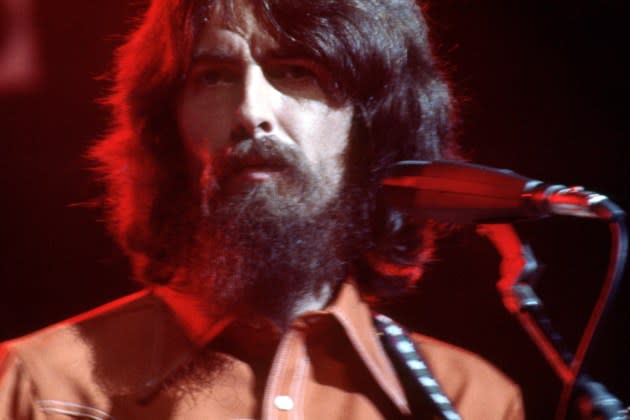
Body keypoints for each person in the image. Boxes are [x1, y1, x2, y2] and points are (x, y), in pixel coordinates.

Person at [0, 0, 524, 418]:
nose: (251, 112)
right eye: (214, 76)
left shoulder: (471, 399)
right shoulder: (46, 386)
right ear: (168, 131)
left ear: (375, 126)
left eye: (296, 71)